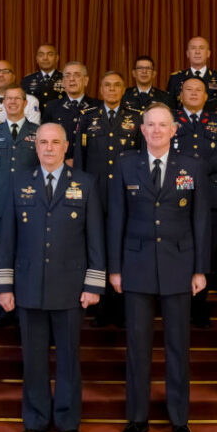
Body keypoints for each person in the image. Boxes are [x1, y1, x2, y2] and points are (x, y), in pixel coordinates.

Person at [0, 122, 105, 432]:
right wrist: (4, 286)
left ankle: (69, 422)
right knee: (33, 359)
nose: (48, 148)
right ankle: (35, 420)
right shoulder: (18, 183)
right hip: (29, 287)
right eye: (43, 142)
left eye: (54, 142)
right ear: (36, 146)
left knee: (69, 359)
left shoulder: (85, 183)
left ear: (66, 146)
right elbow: (7, 239)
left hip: (71, 289)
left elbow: (95, 238)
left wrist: (94, 285)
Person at [107, 102, 209, 432]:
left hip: (179, 266)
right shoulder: (125, 165)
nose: (156, 130)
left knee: (178, 346)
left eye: (162, 125)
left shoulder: (191, 166)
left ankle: (180, 419)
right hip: (135, 268)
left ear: (174, 129)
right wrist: (115, 268)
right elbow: (116, 218)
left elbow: (200, 221)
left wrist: (200, 268)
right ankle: (137, 419)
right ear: (142, 129)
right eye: (150, 125)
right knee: (137, 347)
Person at [72, 71, 143, 327]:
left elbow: (142, 160)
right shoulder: (87, 118)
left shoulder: (136, 118)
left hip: (127, 196)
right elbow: (79, 161)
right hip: (96, 196)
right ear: (100, 89)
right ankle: (100, 308)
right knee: (97, 249)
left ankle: (122, 308)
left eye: (116, 85)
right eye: (107, 85)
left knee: (124, 249)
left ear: (124, 89)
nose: (112, 89)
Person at [172, 77, 217, 328]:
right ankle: (179, 306)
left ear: (206, 96)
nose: (194, 94)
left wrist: (197, 169)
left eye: (199, 90)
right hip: (177, 194)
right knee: (180, 249)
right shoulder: (169, 121)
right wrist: (189, 170)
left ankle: (200, 305)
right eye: (189, 90)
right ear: (180, 94)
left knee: (206, 249)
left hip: (211, 194)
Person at [0, 86, 40, 328]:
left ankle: (24, 308)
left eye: (17, 99)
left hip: (30, 204)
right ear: (2, 103)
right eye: (9, 99)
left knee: (26, 256)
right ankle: (2, 311)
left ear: (26, 103)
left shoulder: (38, 133)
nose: (13, 102)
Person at [41, 61, 101, 144]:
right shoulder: (52, 107)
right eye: (68, 75)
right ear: (63, 82)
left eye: (77, 75)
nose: (72, 79)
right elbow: (45, 138)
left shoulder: (98, 106)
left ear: (86, 80)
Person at [167, 36, 217, 105]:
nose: (197, 52)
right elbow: (170, 106)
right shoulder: (176, 78)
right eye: (193, 48)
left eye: (201, 48)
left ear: (208, 53)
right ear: (187, 53)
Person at [21, 43, 65, 110]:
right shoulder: (27, 80)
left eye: (50, 54)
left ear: (57, 58)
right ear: (37, 59)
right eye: (41, 55)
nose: (45, 58)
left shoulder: (66, 79)